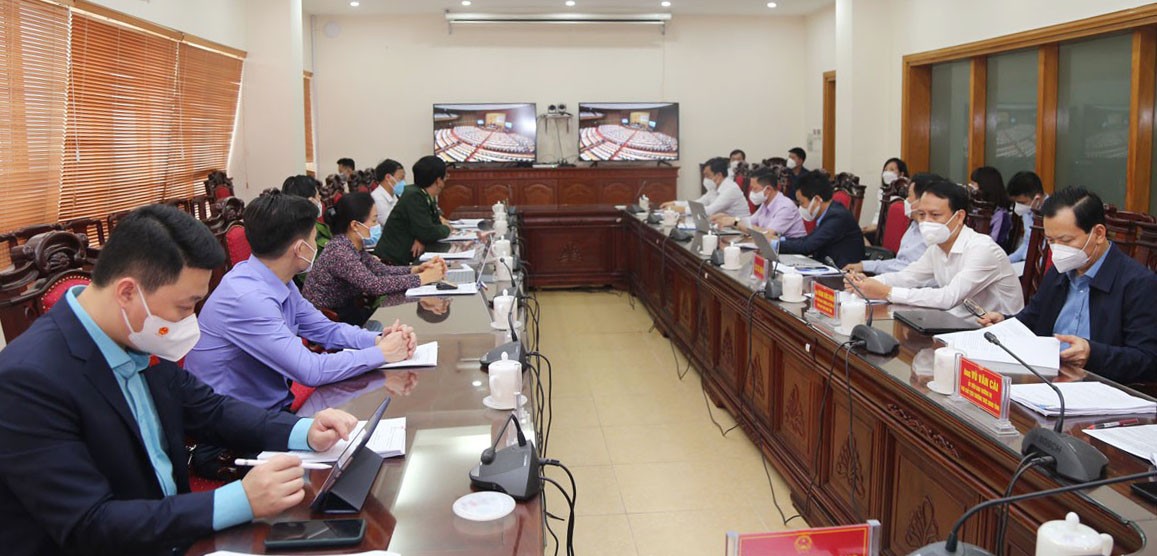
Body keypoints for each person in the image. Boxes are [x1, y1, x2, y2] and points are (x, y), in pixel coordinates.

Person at [0, 204, 360, 555]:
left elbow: (212, 410)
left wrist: (305, 431)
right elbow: (88, 524)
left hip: (177, 533)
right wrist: (239, 500)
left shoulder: (132, 334)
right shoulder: (27, 380)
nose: (190, 322)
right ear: (127, 293)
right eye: (185, 307)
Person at [185, 191, 416, 477]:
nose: (316, 245)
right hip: (228, 440)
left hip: (267, 418)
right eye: (313, 238)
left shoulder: (275, 279)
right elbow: (310, 370)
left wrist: (378, 340)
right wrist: (381, 354)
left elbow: (324, 329)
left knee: (358, 450)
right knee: (353, 467)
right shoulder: (248, 298)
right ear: (300, 248)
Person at [979, 187, 1157, 383]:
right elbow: (1032, 319)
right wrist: (1004, 322)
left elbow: (1148, 360)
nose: (1057, 250)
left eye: (1066, 240)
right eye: (1050, 241)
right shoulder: (1059, 272)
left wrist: (1092, 354)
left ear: (1098, 234)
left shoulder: (1139, 284)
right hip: (1047, 378)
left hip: (1100, 387)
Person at [847, 180, 1024, 318]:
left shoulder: (982, 249)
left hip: (997, 334)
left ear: (959, 217)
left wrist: (887, 292)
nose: (926, 222)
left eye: (935, 215)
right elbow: (908, 277)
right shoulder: (937, 248)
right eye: (922, 214)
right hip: (956, 323)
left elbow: (948, 297)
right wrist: (867, 283)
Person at [304, 192, 446, 325]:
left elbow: (381, 270)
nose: (376, 225)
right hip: (329, 321)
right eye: (373, 220)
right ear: (355, 225)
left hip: (346, 311)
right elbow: (374, 285)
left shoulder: (350, 245)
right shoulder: (340, 252)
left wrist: (415, 270)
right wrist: (422, 278)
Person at [845, 172, 935, 275]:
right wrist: (864, 265)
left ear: (922, 200)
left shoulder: (933, 233)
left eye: (909, 196)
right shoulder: (914, 225)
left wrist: (876, 280)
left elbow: (909, 272)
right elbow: (899, 263)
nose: (906, 200)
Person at [770, 170, 864, 268]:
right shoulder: (827, 213)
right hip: (824, 266)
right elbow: (807, 240)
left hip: (843, 271)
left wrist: (773, 243)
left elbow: (807, 246)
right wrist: (779, 239)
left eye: (802, 203)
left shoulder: (837, 216)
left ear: (817, 200)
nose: (800, 208)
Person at [375, 156, 455, 264]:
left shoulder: (424, 195)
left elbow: (433, 226)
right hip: (390, 262)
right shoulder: (414, 195)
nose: (445, 181)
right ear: (438, 180)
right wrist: (447, 229)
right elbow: (428, 232)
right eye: (445, 177)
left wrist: (422, 237)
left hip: (404, 259)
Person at [712, 165, 805, 238]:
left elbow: (768, 234)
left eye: (754, 189)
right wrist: (730, 218)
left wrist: (735, 222)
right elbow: (750, 222)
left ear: (768, 189)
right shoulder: (766, 203)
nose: (751, 192)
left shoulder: (785, 207)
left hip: (791, 252)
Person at [659, 157, 750, 218]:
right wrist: (675, 203)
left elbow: (709, 211)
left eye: (707, 176)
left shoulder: (731, 189)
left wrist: (681, 210)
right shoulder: (714, 189)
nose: (705, 179)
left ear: (718, 175)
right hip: (725, 227)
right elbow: (698, 203)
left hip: (739, 228)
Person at [282, 175, 333, 253]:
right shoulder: (315, 232)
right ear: (310, 202)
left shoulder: (280, 229)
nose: (320, 198)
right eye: (317, 196)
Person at [970, 166, 1014, 252]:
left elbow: (993, 243)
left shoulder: (1001, 215)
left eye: (974, 185)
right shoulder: (975, 209)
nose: (972, 190)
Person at [1006, 170, 1046, 263]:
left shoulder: (1053, 213)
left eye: (1022, 202)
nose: (1019, 206)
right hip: (1025, 262)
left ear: (1037, 198)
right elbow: (1026, 243)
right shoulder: (1027, 211)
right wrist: (1007, 260)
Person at [864, 157, 910, 236]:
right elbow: (879, 212)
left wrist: (877, 227)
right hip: (879, 227)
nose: (887, 173)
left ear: (901, 174)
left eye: (892, 169)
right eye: (885, 170)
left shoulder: (907, 190)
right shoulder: (882, 191)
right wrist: (873, 225)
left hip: (895, 229)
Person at [371, 159, 406, 226]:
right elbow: (392, 224)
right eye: (401, 178)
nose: (404, 182)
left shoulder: (396, 195)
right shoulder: (377, 198)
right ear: (388, 177)